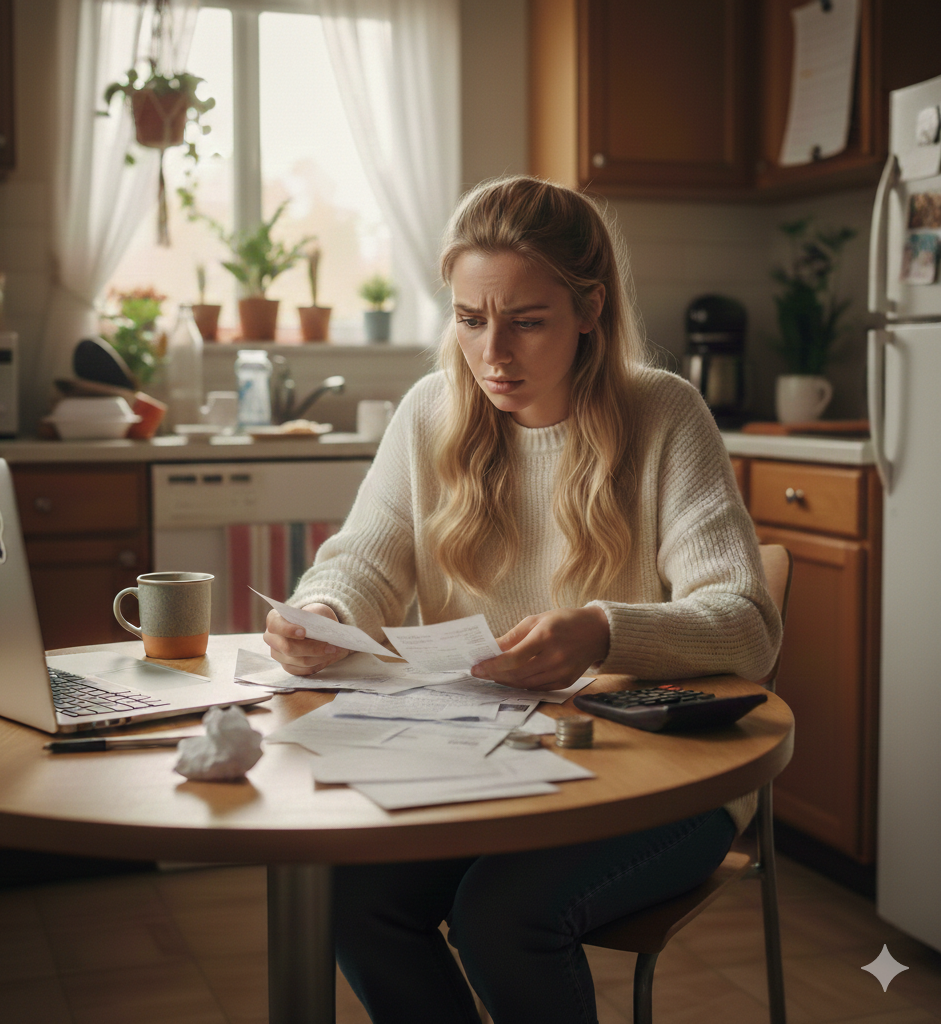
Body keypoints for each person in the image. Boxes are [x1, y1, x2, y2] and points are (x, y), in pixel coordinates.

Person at [264, 176, 782, 1024]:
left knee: (500, 919)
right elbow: (364, 557)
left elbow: (749, 626)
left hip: (657, 781)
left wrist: (603, 632)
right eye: (470, 320)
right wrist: (321, 611)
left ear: (591, 310)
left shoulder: (664, 413)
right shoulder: (431, 410)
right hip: (482, 764)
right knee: (346, 898)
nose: (493, 353)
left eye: (526, 321)